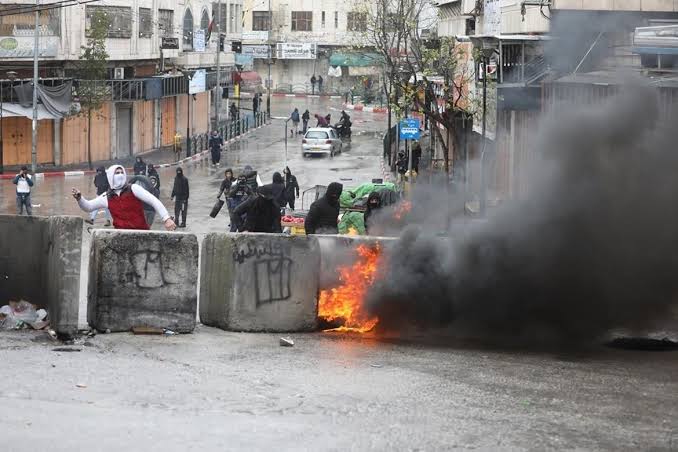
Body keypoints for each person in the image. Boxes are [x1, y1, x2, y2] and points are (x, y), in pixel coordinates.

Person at [72, 165, 176, 231]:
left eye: (122, 172)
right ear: (110, 176)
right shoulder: (107, 196)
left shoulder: (134, 188)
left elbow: (153, 201)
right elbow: (88, 207)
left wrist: (166, 219)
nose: (120, 175)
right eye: (117, 173)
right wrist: (80, 199)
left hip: (141, 234)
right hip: (121, 237)